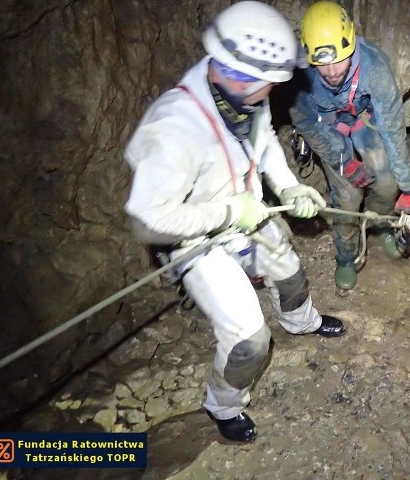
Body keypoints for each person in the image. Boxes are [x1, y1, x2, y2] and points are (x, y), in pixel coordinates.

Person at [123, 1, 347, 443]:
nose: (271, 92)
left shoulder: (243, 99)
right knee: (249, 338)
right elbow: (147, 222)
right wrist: (229, 212)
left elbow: (265, 149)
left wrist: (288, 189)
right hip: (193, 236)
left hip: (244, 211)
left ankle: (301, 321)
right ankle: (222, 404)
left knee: (290, 272)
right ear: (239, 74)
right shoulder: (173, 127)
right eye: (267, 83)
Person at [290, 0, 410, 291]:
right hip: (327, 131)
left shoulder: (375, 67)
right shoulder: (299, 76)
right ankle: (346, 257)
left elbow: (392, 129)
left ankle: (380, 225)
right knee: (347, 196)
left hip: (362, 119)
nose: (333, 71)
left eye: (339, 60)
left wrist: (408, 186)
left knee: (387, 182)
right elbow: (306, 123)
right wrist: (344, 161)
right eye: (323, 63)